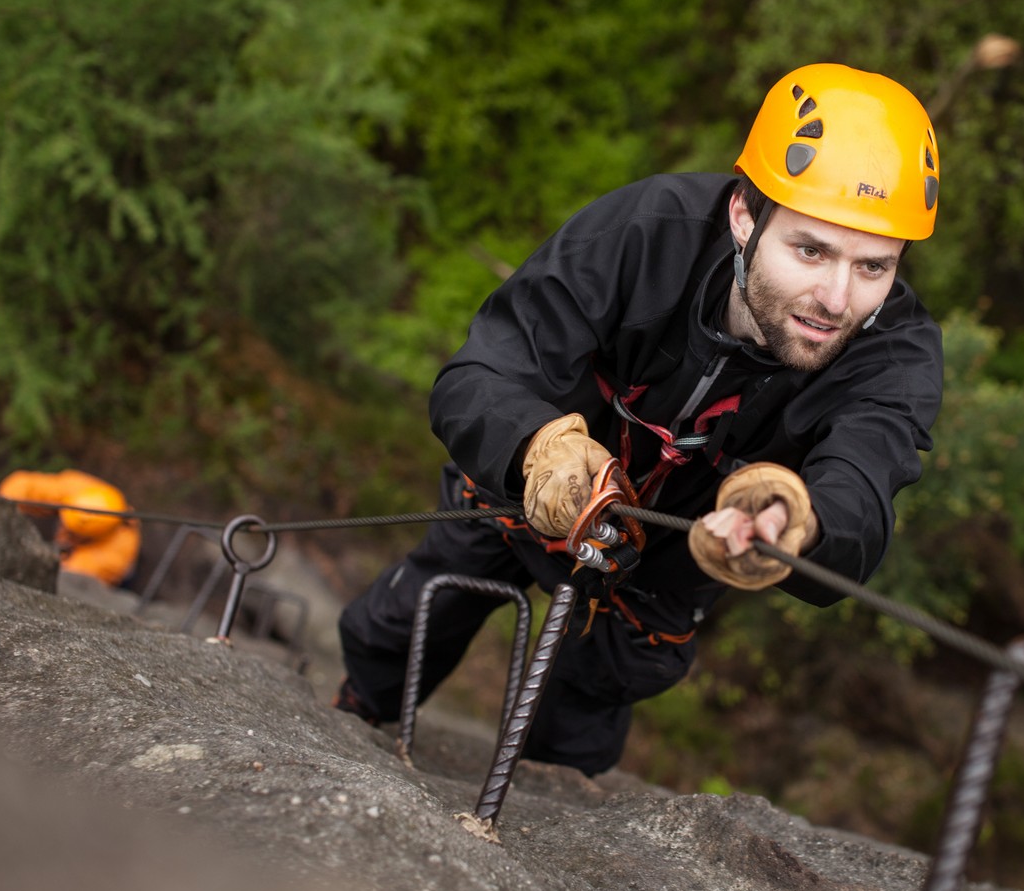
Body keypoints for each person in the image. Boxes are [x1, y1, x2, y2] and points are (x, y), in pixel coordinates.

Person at [336, 63, 944, 776]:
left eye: (874, 267)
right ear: (745, 215)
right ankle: (354, 719)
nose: (837, 300)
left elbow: (862, 490)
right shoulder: (647, 234)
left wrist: (793, 523)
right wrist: (538, 449)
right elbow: (481, 374)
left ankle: (545, 821)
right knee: (413, 617)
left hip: (663, 570)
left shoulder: (893, 353)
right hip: (530, 494)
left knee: (577, 729)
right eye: (811, 250)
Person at [0, 469, 141, 587]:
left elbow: (68, 576)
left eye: (74, 533)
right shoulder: (78, 489)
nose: (63, 528)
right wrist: (2, 507)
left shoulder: (113, 558)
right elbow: (21, 487)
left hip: (109, 569)